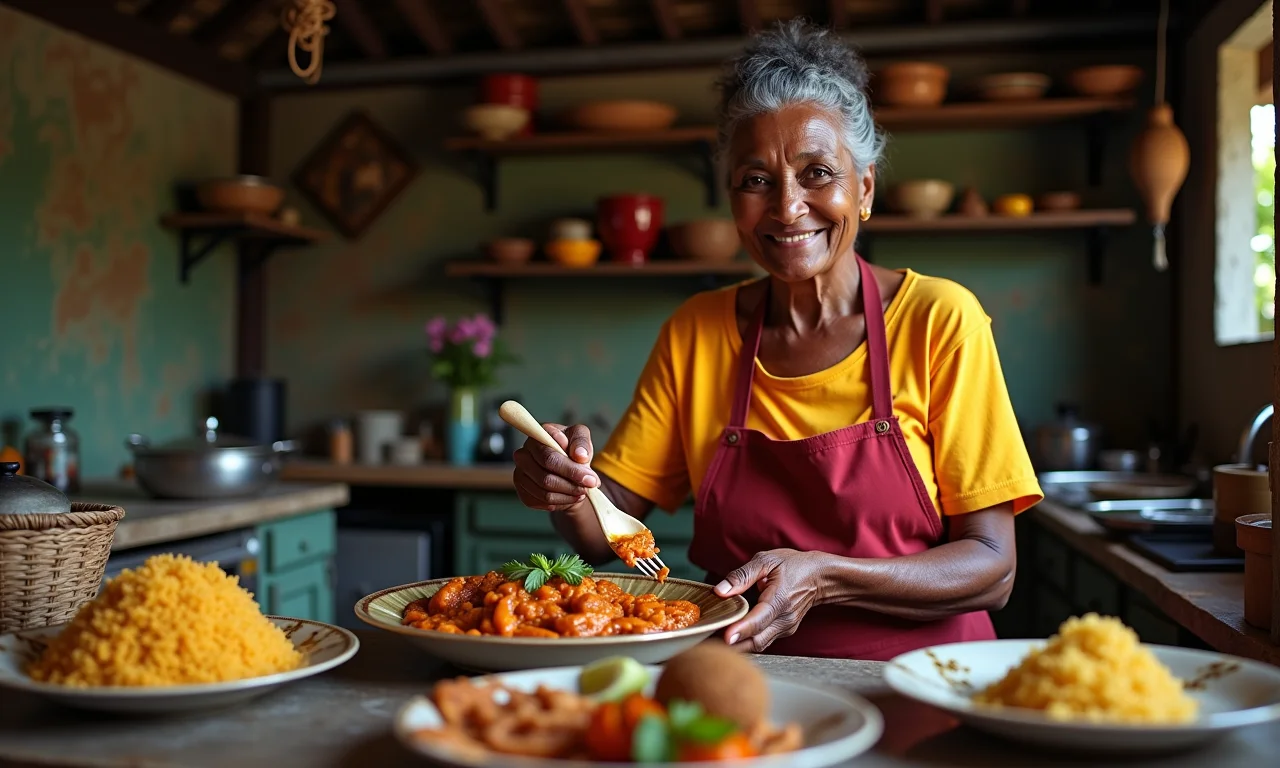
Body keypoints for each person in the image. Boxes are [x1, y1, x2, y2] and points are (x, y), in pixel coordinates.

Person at [511, 19, 1044, 661]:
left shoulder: (939, 320)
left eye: (817, 173)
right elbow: (610, 532)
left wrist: (824, 579)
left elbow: (993, 568)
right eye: (756, 180)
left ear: (864, 188)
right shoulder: (696, 331)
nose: (788, 208)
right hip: (741, 676)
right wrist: (567, 492)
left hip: (925, 675)